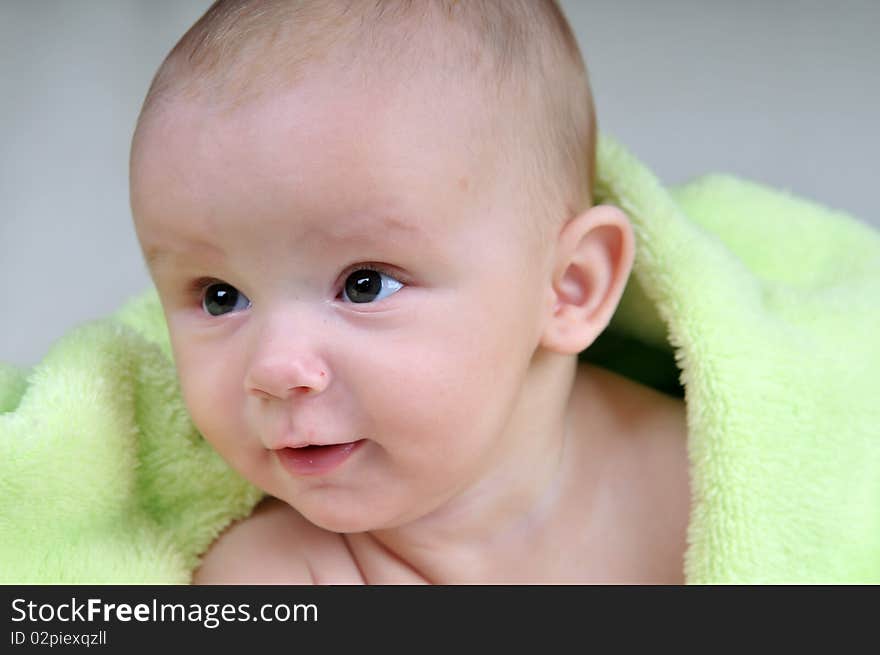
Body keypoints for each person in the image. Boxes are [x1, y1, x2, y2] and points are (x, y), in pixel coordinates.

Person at [128, 0, 691, 584]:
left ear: (570, 287)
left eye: (364, 285)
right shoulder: (280, 576)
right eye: (221, 296)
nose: (272, 368)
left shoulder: (697, 484)